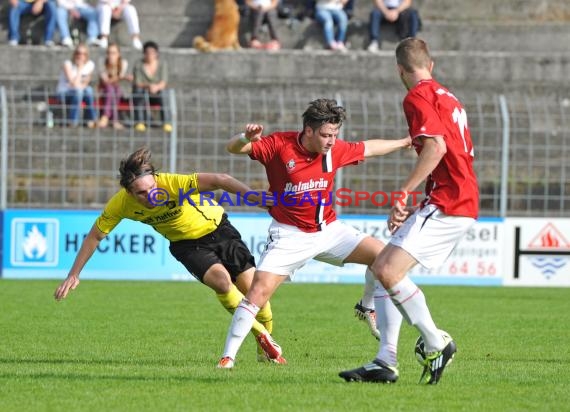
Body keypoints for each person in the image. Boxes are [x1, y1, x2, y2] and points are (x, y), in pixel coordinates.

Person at [216, 98, 411, 368]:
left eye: (335, 135)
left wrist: (404, 142)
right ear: (308, 130)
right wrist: (244, 137)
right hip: (289, 235)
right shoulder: (279, 145)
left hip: (329, 231)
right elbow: (234, 148)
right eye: (325, 135)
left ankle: (366, 307)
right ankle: (228, 358)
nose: (331, 141)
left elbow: (369, 148)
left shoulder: (334, 150)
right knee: (257, 294)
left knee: (386, 258)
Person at [54, 146, 286, 365]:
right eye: (141, 193)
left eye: (152, 188)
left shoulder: (174, 184)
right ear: (129, 192)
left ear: (156, 179)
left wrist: (251, 197)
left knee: (258, 297)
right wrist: (74, 274)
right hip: (187, 246)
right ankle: (262, 335)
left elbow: (221, 180)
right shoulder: (120, 205)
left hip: (220, 231)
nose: (149, 196)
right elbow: (95, 236)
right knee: (222, 283)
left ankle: (264, 345)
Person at [339, 37, 479, 385]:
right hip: (451, 196)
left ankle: (436, 341)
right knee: (380, 267)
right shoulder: (446, 95)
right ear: (430, 65)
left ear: (400, 69)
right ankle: (385, 361)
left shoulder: (416, 96)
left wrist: (403, 192)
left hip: (450, 200)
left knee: (387, 269)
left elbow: (435, 148)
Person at [132, 41, 171, 133]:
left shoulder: (162, 64)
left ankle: (167, 122)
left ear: (156, 53)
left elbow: (164, 81)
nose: (150, 55)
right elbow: (137, 82)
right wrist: (149, 86)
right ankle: (139, 122)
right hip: (143, 91)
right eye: (147, 52)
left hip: (157, 92)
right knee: (138, 92)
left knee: (164, 93)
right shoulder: (138, 64)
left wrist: (156, 87)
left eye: (152, 52)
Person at [56, 43, 98, 128]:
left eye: (83, 54)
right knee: (79, 92)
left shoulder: (89, 65)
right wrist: (79, 69)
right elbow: (73, 84)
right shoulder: (68, 64)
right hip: (64, 92)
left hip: (79, 91)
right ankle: (73, 122)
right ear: (75, 54)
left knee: (89, 90)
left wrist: (80, 84)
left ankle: (90, 120)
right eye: (78, 53)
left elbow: (85, 83)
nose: (80, 56)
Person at [98, 43, 132, 129]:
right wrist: (122, 77)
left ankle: (106, 117)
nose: (111, 55)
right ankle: (112, 119)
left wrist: (120, 77)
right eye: (109, 53)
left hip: (118, 90)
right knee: (110, 89)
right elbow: (106, 82)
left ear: (118, 54)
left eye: (113, 53)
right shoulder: (102, 62)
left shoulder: (123, 63)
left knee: (115, 90)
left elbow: (116, 81)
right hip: (103, 90)